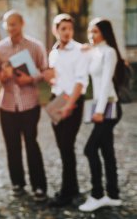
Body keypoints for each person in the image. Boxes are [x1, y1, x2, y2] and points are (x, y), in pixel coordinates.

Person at [0, 10, 48, 201]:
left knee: (32, 144)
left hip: (30, 104)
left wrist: (30, 78)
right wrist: (2, 76)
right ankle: (17, 183)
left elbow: (46, 72)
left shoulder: (35, 47)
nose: (10, 28)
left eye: (14, 24)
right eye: (7, 24)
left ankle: (39, 186)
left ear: (22, 23)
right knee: (12, 146)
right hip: (7, 105)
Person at [44, 14, 90, 207]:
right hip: (57, 99)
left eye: (69, 28)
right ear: (56, 30)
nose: (67, 32)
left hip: (72, 102)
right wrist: (49, 78)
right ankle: (73, 188)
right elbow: (57, 79)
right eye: (63, 28)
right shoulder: (53, 52)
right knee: (64, 149)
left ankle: (66, 194)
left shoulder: (80, 50)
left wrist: (70, 106)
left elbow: (80, 81)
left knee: (66, 146)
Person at [78, 18, 123, 212]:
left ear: (104, 32)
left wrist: (98, 111)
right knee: (106, 150)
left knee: (90, 149)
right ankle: (113, 195)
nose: (91, 35)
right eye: (90, 31)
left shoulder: (109, 52)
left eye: (95, 31)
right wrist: (87, 50)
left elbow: (105, 83)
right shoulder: (96, 52)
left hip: (109, 107)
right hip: (101, 105)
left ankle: (97, 195)